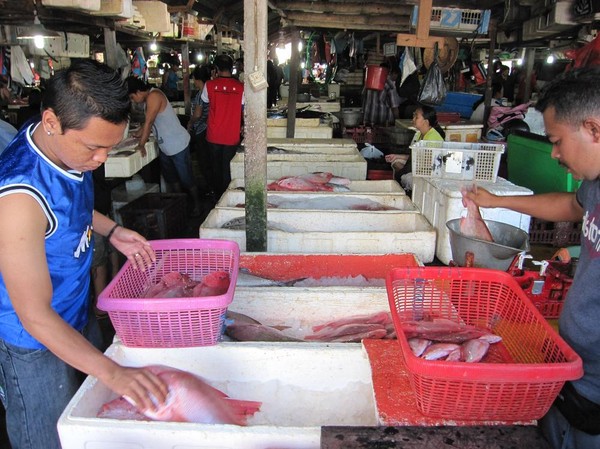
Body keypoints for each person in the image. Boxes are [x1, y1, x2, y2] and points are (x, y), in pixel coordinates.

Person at [0, 59, 168, 449]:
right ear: (52, 121)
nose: (102, 160)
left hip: (75, 309)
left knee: (83, 417)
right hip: (33, 344)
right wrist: (113, 373)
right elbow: (34, 316)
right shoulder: (18, 200)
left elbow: (66, 207)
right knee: (46, 438)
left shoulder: (59, 145)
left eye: (110, 147)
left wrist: (113, 230)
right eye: (95, 148)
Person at [463, 67, 600, 449]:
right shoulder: (594, 186)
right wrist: (495, 201)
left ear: (593, 130)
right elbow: (568, 205)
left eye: (557, 141)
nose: (554, 153)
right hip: (570, 365)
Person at [127, 77, 202, 216]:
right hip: (165, 146)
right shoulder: (148, 99)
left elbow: (149, 122)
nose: (133, 100)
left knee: (187, 179)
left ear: (138, 92)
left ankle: (197, 205)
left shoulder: (154, 96)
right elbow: (149, 121)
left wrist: (141, 144)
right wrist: (138, 133)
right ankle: (180, 206)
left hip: (177, 144)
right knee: (172, 180)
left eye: (132, 97)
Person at [201, 54, 244, 197]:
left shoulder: (209, 85)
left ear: (216, 68)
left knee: (215, 168)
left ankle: (217, 197)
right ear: (232, 68)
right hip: (232, 135)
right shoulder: (241, 87)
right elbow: (244, 109)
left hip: (213, 135)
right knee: (228, 169)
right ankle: (227, 196)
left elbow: (205, 102)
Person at [385, 104, 445, 177]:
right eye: (414, 116)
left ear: (425, 122)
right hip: (418, 166)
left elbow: (426, 166)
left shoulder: (432, 139)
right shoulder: (418, 134)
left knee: (404, 175)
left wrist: (403, 171)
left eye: (416, 117)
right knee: (396, 162)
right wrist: (396, 156)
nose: (413, 119)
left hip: (428, 173)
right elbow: (414, 157)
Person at [187, 64, 213, 194]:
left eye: (194, 80)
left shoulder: (200, 95)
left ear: (198, 79)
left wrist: (190, 123)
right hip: (210, 130)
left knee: (204, 162)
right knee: (210, 161)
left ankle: (210, 189)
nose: (194, 82)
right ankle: (213, 188)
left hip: (201, 131)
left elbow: (197, 114)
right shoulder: (211, 91)